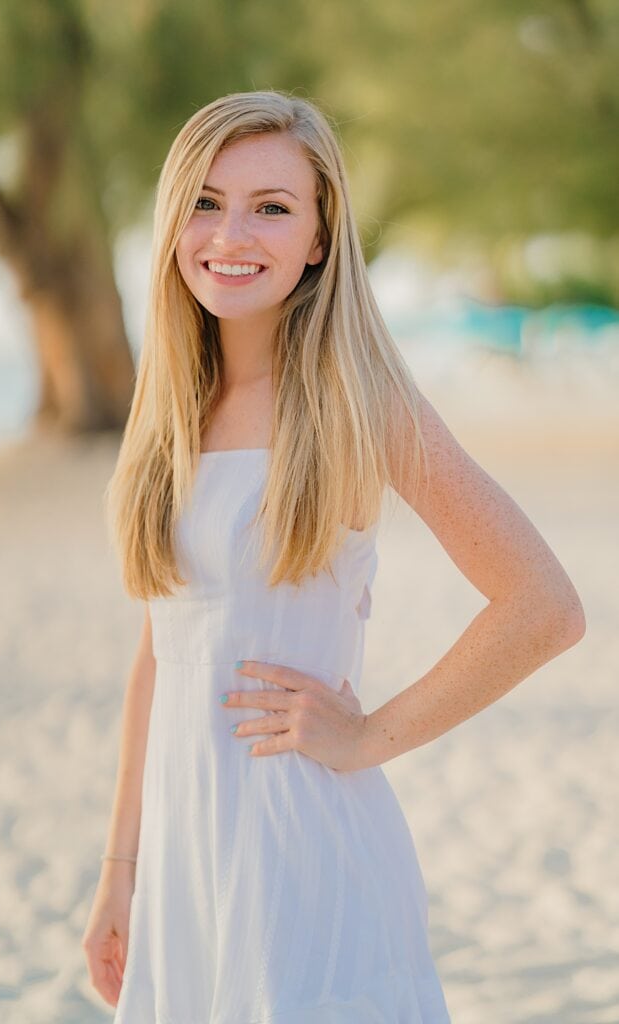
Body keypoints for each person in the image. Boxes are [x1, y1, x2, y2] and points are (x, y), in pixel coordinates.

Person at [81, 89, 586, 1022]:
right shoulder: (169, 415)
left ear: (318, 238)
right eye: (205, 199)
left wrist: (365, 736)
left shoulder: (358, 403)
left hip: (302, 851)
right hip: (185, 859)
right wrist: (121, 872)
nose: (231, 232)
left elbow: (544, 605)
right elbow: (161, 651)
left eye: (271, 206)